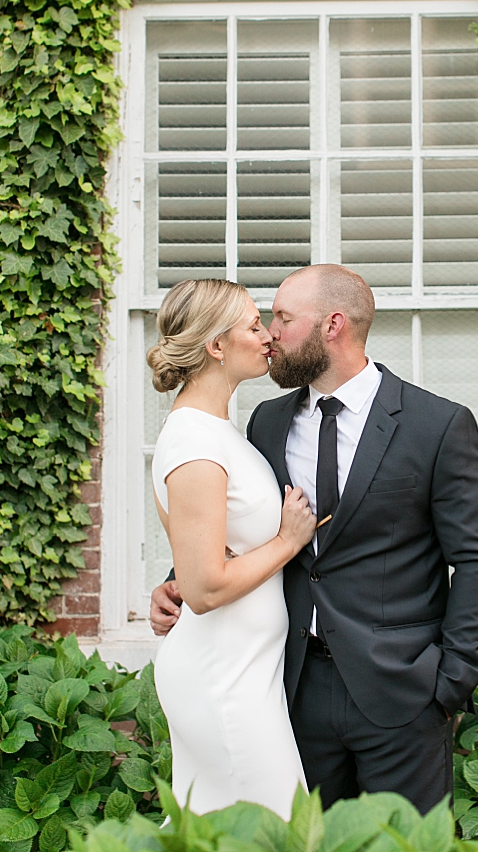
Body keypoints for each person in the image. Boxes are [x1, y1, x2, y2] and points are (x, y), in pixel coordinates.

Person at [151, 264, 478, 813]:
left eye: (284, 319)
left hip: (403, 693)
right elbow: (235, 523)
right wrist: (177, 581)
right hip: (289, 687)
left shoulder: (436, 424)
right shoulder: (265, 423)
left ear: (333, 325)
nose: (270, 333)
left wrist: (451, 682)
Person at [146, 278, 317, 818]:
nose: (268, 336)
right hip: (221, 679)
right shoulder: (195, 442)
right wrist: (288, 542)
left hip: (247, 670)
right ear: (216, 345)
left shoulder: (220, 432)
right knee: (274, 829)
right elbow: (204, 588)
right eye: (252, 325)